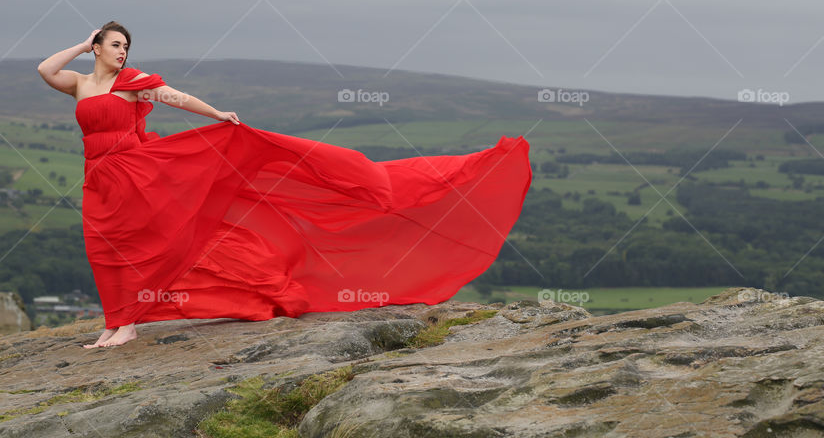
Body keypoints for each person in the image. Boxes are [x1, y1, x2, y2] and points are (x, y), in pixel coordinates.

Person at [38, 21, 533, 348]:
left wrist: (216, 114)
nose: (123, 53)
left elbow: (177, 97)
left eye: (126, 46)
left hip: (137, 171)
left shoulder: (134, 83)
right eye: (115, 45)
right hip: (97, 175)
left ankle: (126, 325)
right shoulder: (83, 82)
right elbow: (45, 69)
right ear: (99, 47)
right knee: (104, 246)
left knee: (143, 245)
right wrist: (82, 44)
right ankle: (115, 321)